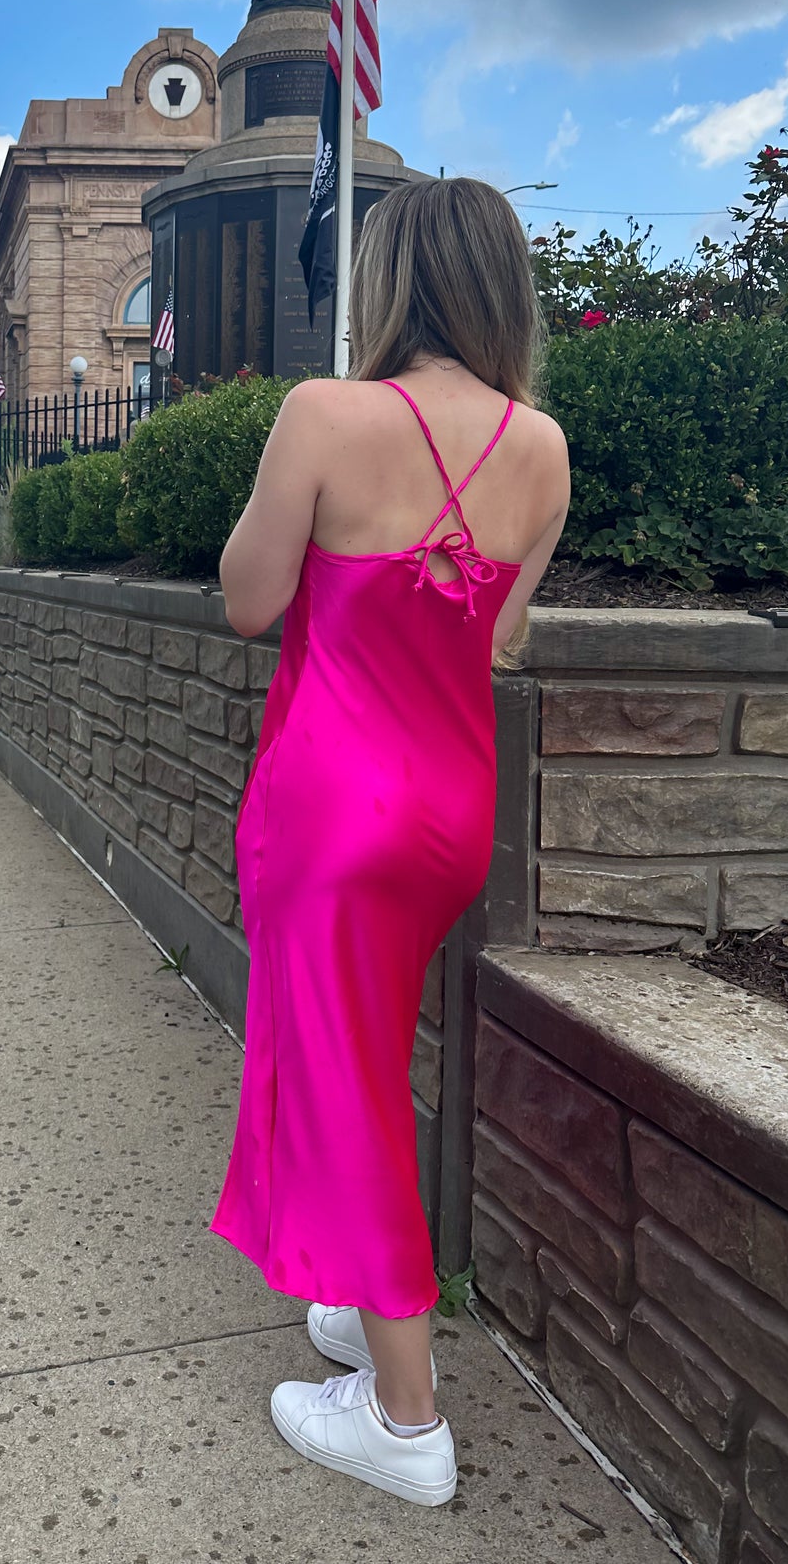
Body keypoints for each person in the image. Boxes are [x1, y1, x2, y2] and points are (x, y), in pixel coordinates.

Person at [210, 177, 571, 1507]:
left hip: (332, 805)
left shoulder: (324, 412)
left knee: (346, 1079)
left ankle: (404, 1423)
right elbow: (498, 636)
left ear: (385, 280)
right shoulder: (539, 445)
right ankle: (363, 1307)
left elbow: (250, 604)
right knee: (369, 1056)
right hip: (447, 808)